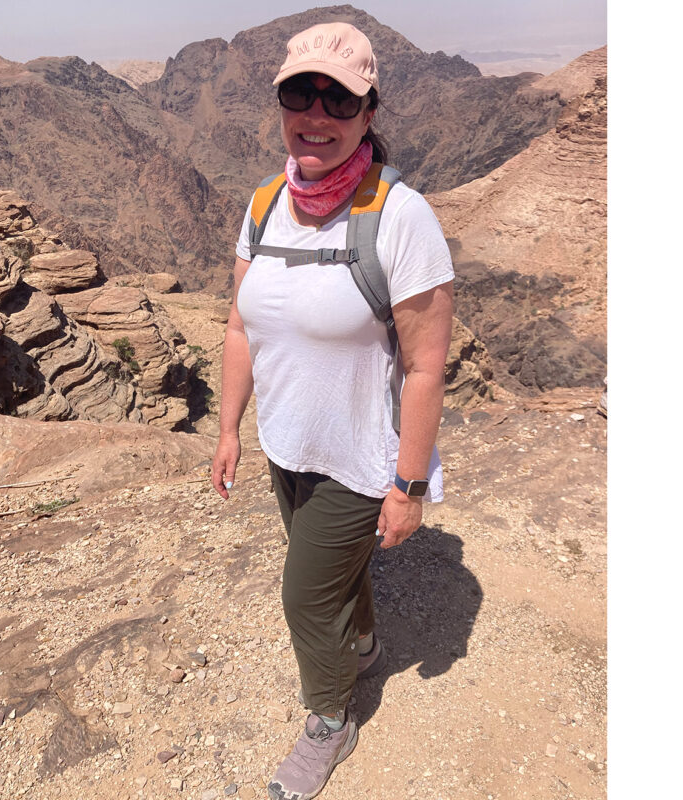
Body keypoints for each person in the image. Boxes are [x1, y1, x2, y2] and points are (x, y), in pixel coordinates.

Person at [211, 21, 454, 800]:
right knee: (335, 577)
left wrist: (407, 487)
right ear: (280, 102)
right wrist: (229, 429)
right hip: (286, 445)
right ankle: (365, 644)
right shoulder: (264, 204)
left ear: (368, 112)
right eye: (299, 93)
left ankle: (330, 718)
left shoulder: (400, 216)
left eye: (339, 99)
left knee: (306, 595)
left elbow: (425, 366)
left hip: (358, 457)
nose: (316, 114)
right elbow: (240, 325)